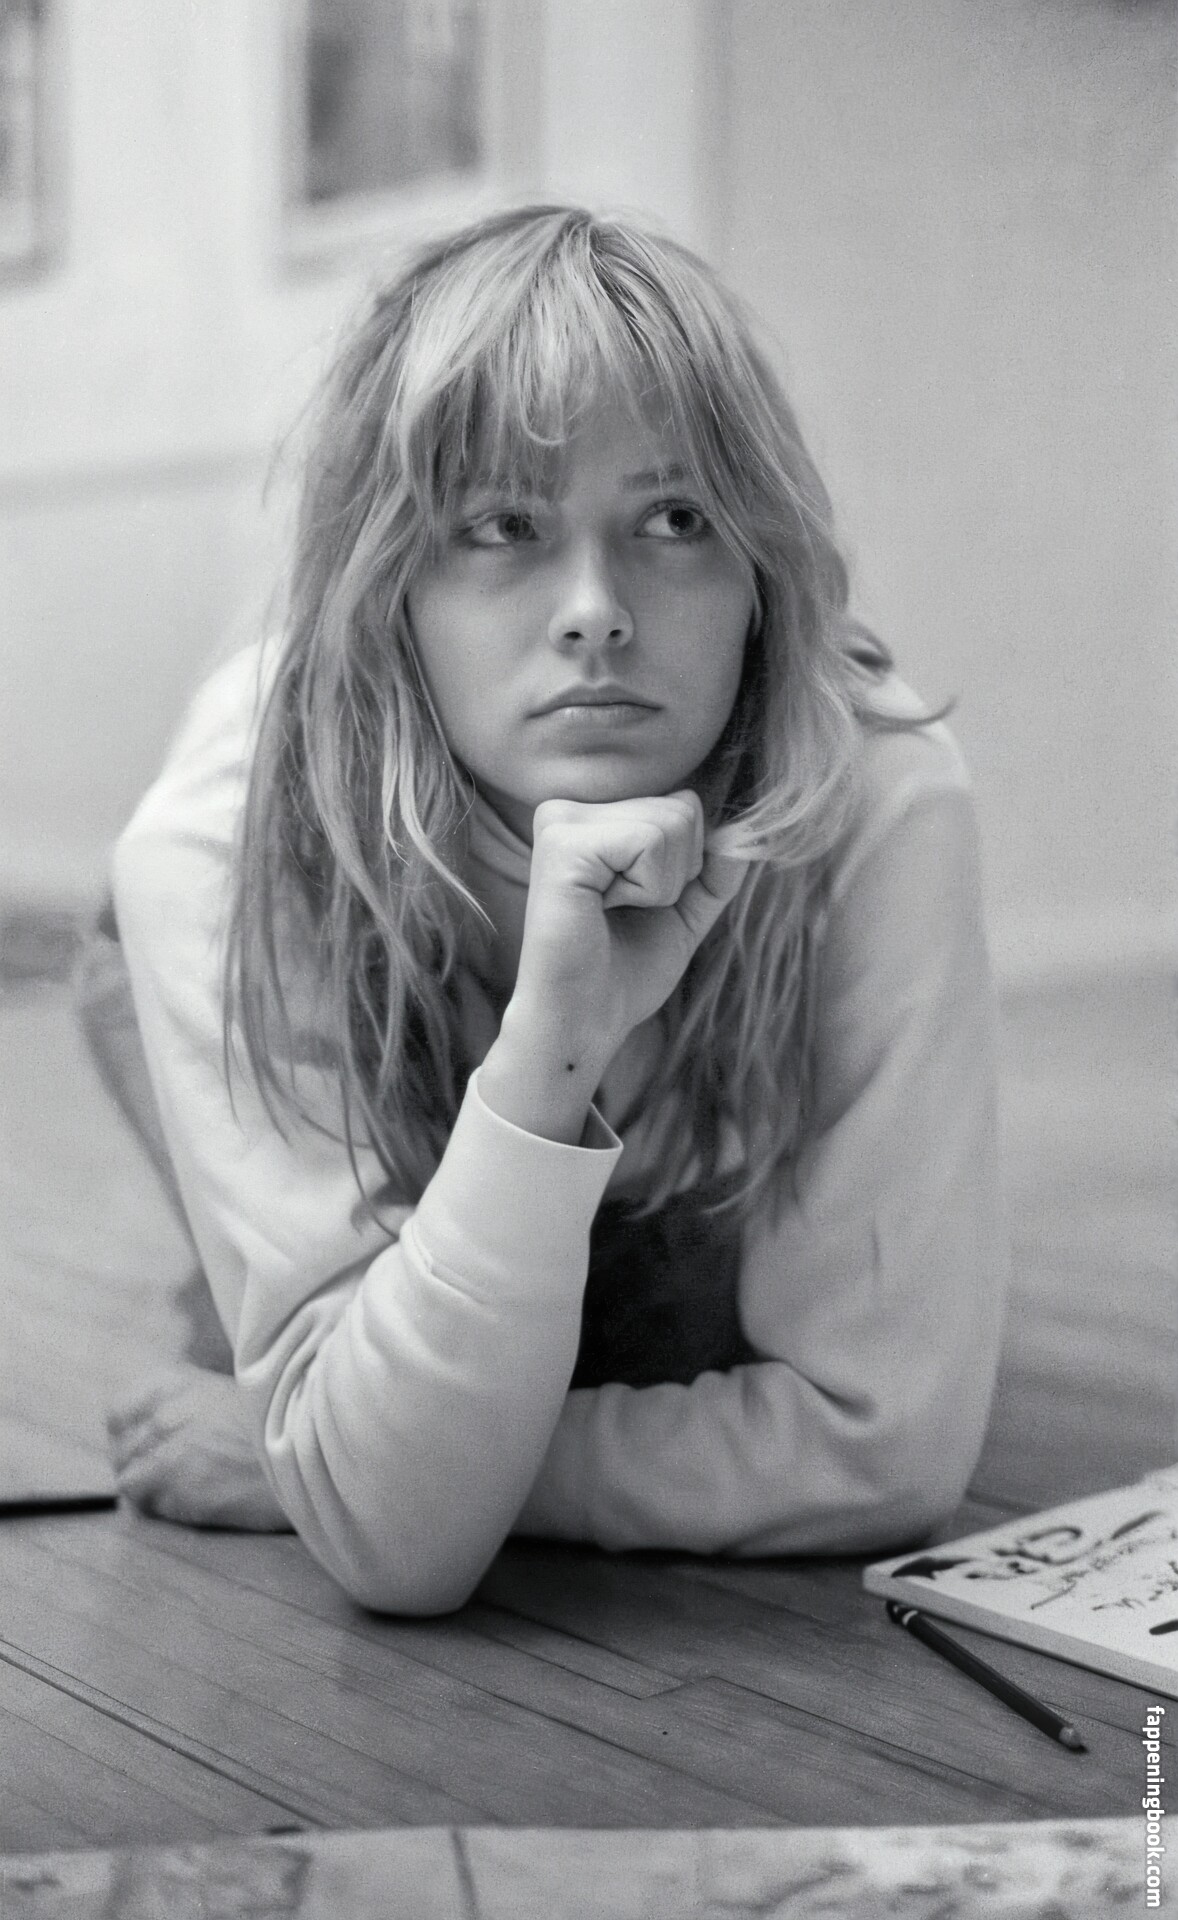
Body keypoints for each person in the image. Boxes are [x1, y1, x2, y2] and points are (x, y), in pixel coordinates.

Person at [79, 205, 1006, 1615]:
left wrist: (320, 1461)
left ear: (760, 577)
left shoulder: (877, 795)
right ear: (389, 587)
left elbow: (877, 1450)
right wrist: (549, 1052)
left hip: (671, 1103)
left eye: (676, 519)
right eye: (502, 526)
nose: (594, 611)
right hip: (322, 989)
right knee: (505, 1331)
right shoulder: (223, 840)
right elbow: (403, 1552)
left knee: (610, 1327)